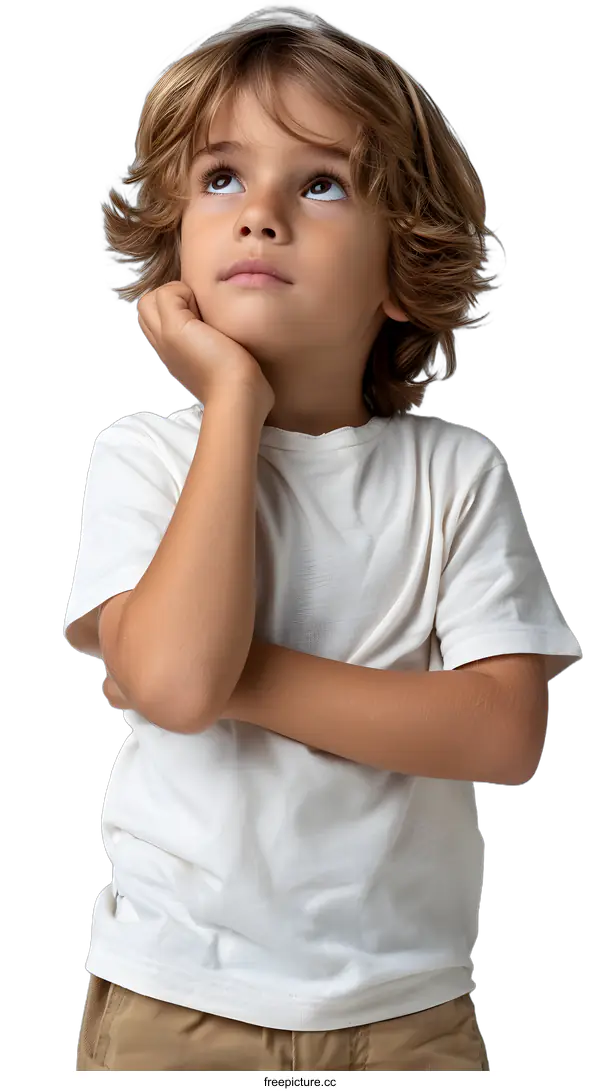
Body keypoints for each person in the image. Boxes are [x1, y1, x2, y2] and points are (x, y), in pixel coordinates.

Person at [64, 9, 583, 1072]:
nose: (259, 214)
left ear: (403, 267)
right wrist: (234, 402)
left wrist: (221, 677)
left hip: (411, 1005)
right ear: (176, 255)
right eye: (220, 178)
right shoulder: (145, 460)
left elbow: (500, 733)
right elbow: (167, 681)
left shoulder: (456, 475)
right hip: (175, 994)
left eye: (320, 183)